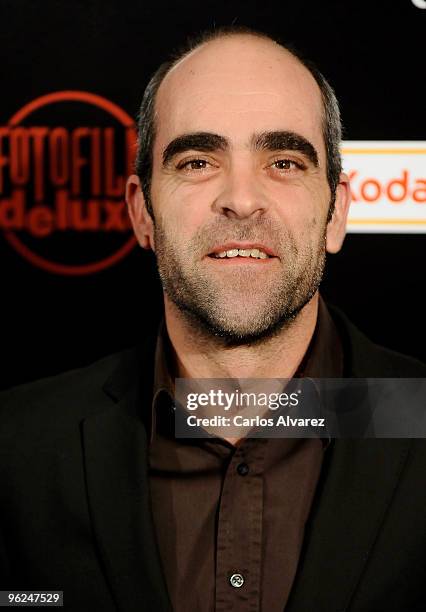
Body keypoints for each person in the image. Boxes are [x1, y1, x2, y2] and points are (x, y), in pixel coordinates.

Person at [1, 25, 426, 612]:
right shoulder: (16, 447)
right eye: (198, 160)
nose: (242, 198)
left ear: (337, 214)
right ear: (141, 213)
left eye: (284, 160)